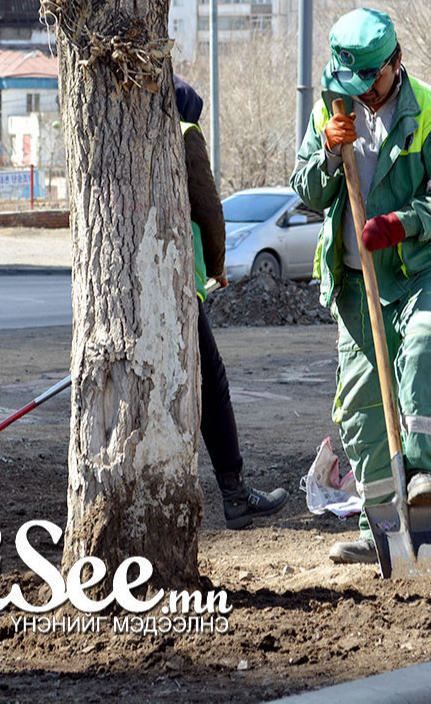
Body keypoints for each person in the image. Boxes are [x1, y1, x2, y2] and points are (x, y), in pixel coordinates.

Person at [290, 8, 431, 565]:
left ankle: (424, 483)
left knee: (424, 344)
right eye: (353, 81)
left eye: (372, 79)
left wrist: (403, 223)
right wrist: (326, 150)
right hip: (356, 282)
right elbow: (308, 190)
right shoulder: (333, 106)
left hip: (426, 266)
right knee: (361, 405)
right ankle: (388, 535)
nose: (363, 93)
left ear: (395, 64)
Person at [175, 76, 289, 530]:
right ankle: (236, 494)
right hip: (179, 277)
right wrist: (218, 264)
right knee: (210, 381)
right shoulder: (184, 132)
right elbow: (206, 203)